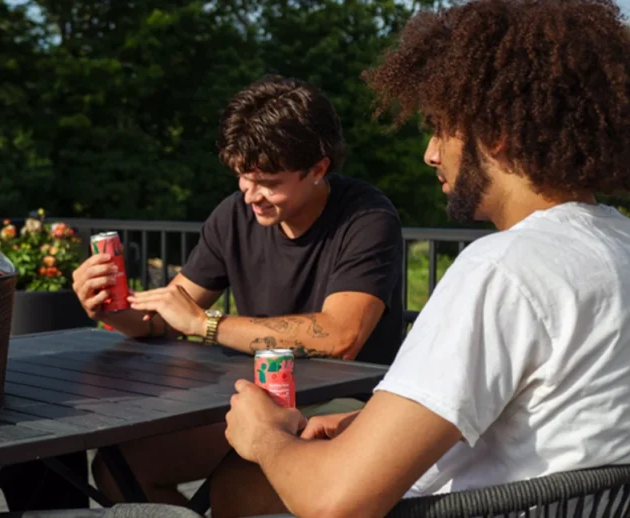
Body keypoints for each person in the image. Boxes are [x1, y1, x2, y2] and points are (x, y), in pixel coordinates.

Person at [218, 0, 630, 516]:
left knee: (235, 484)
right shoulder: (618, 246)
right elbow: (553, 420)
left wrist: (264, 437)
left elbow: (333, 502)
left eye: (441, 127)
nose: (431, 153)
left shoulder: (504, 269)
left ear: (494, 132)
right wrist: (366, 426)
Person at [71, 75, 406, 505]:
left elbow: (342, 336)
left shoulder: (366, 217)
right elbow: (165, 320)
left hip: (346, 407)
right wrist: (109, 308)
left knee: (237, 489)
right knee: (122, 470)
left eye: (268, 181)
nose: (252, 196)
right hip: (256, 402)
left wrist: (206, 324)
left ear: (318, 168)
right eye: (242, 178)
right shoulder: (234, 216)